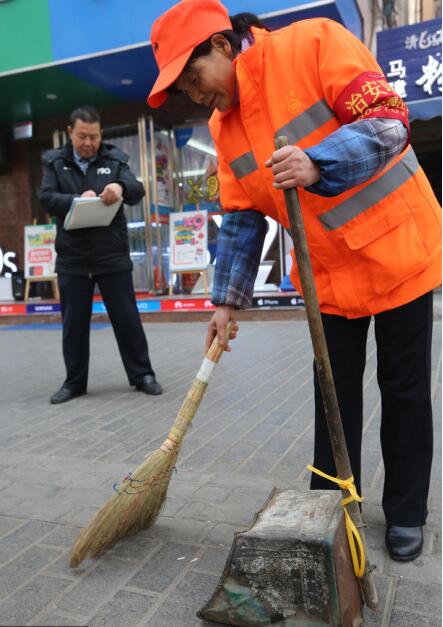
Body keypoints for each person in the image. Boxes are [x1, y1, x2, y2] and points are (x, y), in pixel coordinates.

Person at [147, 0, 442, 562]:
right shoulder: (223, 129)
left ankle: (406, 512)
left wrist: (317, 163)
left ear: (224, 46)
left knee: (403, 390)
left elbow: (387, 120)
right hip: (328, 274)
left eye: (193, 76)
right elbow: (239, 217)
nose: (196, 93)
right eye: (183, 89)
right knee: (332, 391)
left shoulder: (312, 43)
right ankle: (331, 510)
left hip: (399, 248)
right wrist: (226, 303)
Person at [38, 105, 162, 404]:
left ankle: (142, 374)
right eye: (82, 136)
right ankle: (74, 383)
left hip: (112, 254)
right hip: (73, 258)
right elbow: (46, 198)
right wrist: (78, 200)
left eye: (93, 137)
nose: (88, 143)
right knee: (74, 325)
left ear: (101, 134)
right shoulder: (54, 163)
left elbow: (137, 189)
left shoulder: (115, 158)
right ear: (70, 133)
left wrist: (119, 186)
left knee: (126, 319)